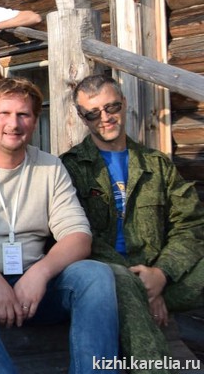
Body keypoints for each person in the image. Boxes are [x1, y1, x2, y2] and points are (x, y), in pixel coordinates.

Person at [0, 77, 119, 374]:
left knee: (95, 275)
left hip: (35, 288)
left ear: (34, 120)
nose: (13, 124)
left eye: (23, 114)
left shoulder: (50, 167)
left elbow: (79, 236)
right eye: (4, 113)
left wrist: (40, 273)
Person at [61, 74, 204, 366]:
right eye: (93, 113)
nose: (105, 118)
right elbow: (75, 236)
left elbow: (189, 225)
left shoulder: (157, 164)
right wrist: (140, 282)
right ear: (82, 118)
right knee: (119, 282)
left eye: (111, 107)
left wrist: (160, 275)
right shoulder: (70, 168)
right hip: (106, 276)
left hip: (161, 273)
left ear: (124, 104)